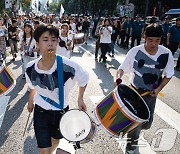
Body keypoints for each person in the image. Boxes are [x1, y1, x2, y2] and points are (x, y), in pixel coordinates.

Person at [25, 24, 89, 154]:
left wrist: (80, 98)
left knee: (55, 141)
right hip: (41, 111)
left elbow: (84, 79)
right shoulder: (30, 68)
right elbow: (33, 86)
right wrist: (30, 101)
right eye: (45, 40)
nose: (50, 44)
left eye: (53, 40)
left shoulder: (69, 65)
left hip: (61, 112)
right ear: (37, 43)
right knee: (44, 150)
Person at [114, 24, 174, 154]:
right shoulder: (135, 51)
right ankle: (130, 146)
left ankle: (132, 130)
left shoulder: (166, 53)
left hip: (151, 94)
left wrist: (158, 89)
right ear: (144, 37)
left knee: (147, 123)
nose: (153, 44)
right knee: (137, 122)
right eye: (150, 40)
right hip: (135, 92)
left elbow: (169, 75)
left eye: (157, 40)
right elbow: (121, 68)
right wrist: (118, 79)